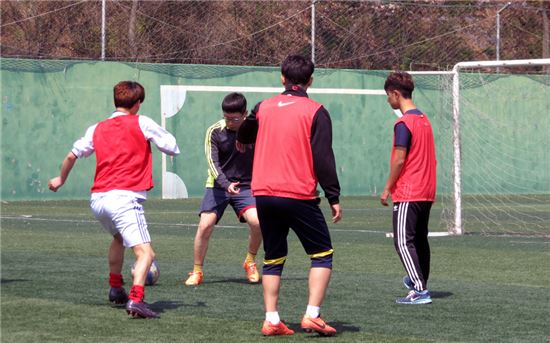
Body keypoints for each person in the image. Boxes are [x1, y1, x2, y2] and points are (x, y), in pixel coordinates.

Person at [48, 81, 180, 318]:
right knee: (146, 254)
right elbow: (171, 146)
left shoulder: (97, 128)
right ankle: (137, 300)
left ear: (115, 101)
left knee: (118, 238)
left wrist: (60, 179)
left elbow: (71, 155)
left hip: (98, 199)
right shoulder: (142, 122)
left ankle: (115, 287)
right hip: (125, 197)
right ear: (137, 104)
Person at [237, 54, 342, 336]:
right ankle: (312, 315)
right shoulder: (316, 111)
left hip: (264, 194)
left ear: (282, 77)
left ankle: (271, 320)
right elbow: (323, 158)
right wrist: (333, 195)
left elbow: (246, 130)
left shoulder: (263, 107)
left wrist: (244, 138)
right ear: (310, 81)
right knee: (322, 254)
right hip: (298, 194)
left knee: (273, 256)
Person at [184, 92, 262, 286]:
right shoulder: (215, 131)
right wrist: (226, 184)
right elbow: (212, 163)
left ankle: (250, 262)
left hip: (245, 186)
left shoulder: (256, 130)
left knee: (258, 223)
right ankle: (197, 271)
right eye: (226, 117)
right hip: (218, 186)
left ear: (244, 114)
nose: (229, 122)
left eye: (234, 118)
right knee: (205, 225)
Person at [380, 71, 436, 305]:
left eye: (388, 96)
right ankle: (419, 281)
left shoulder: (404, 123)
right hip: (426, 190)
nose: (388, 101)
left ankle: (420, 290)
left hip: (409, 190)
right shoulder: (424, 119)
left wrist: (387, 188)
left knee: (403, 241)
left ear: (395, 94)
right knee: (419, 239)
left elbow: (400, 159)